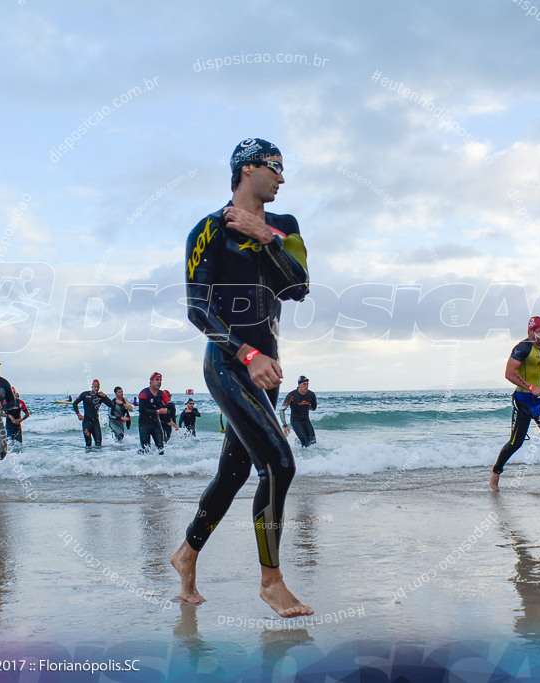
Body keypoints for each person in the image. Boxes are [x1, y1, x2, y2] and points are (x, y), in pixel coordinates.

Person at [171, 138, 313, 617]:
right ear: (246, 168)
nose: (282, 176)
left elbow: (298, 288)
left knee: (233, 473)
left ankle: (186, 555)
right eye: (275, 167)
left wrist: (264, 234)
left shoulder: (285, 226)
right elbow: (197, 309)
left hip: (264, 372)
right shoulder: (207, 230)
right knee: (280, 464)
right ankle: (271, 581)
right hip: (229, 363)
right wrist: (247, 352)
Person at [489, 316, 540, 495]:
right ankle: (496, 471)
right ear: (531, 332)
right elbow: (509, 373)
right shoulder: (522, 348)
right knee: (516, 443)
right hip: (523, 401)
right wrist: (531, 388)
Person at [73, 379, 115, 447]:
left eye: (97, 387)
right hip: (87, 422)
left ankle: (98, 457)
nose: (96, 388)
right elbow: (75, 403)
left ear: (99, 387)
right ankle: (88, 457)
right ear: (92, 386)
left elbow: (111, 405)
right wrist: (78, 414)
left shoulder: (101, 396)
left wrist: (104, 396)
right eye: (95, 387)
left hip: (96, 423)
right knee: (88, 444)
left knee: (99, 444)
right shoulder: (85, 394)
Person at [280, 375, 317, 447]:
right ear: (299, 384)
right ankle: (303, 456)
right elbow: (282, 410)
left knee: (313, 442)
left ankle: (298, 441)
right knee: (305, 443)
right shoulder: (292, 395)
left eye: (307, 384)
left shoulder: (311, 395)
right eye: (304, 384)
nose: (306, 386)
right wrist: (285, 425)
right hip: (296, 421)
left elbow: (314, 408)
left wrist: (304, 406)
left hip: (306, 420)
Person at [138, 373, 168, 454]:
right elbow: (142, 410)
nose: (159, 382)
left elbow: (170, 405)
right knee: (146, 449)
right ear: (151, 381)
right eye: (157, 380)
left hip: (156, 424)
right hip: (144, 424)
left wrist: (166, 408)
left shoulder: (162, 393)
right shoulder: (144, 393)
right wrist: (158, 411)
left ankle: (162, 465)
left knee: (161, 448)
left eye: (160, 380)